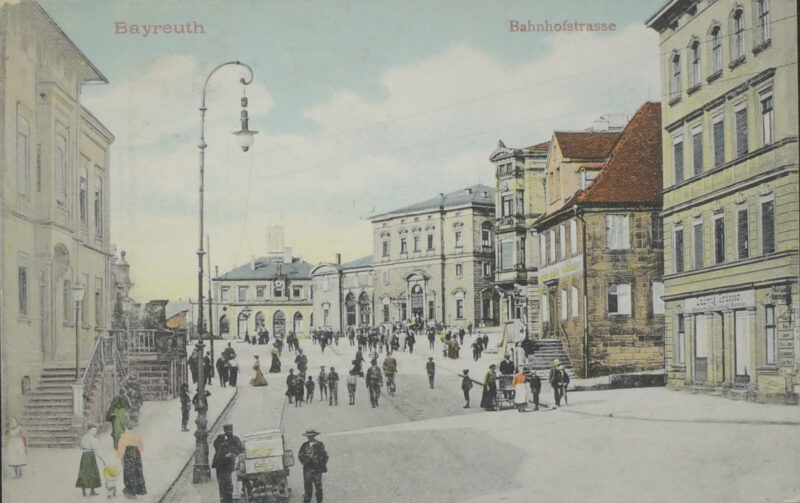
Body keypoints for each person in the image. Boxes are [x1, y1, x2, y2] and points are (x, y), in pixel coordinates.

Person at [212, 424, 244, 503]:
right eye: (226, 430)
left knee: (228, 484)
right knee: (221, 483)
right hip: (219, 465)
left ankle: (228, 500)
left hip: (228, 465)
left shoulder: (235, 439)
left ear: (232, 430)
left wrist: (232, 453)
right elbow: (215, 446)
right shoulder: (220, 438)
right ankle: (223, 499)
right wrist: (220, 439)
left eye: (229, 430)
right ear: (224, 431)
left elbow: (241, 449)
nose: (228, 432)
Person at [116, 422, 146, 498]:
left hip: (128, 453)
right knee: (137, 471)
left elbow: (121, 447)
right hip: (136, 453)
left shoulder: (124, 436)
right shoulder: (137, 435)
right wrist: (137, 453)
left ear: (126, 427)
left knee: (128, 472)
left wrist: (120, 456)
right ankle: (138, 490)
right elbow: (141, 445)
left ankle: (130, 490)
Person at [298, 429, 328, 503]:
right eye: (308, 436)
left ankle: (319, 501)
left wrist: (321, 463)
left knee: (318, 487)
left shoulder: (320, 444)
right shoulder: (304, 445)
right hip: (307, 469)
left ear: (314, 436)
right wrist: (305, 461)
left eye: (311, 436)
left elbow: (325, 455)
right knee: (308, 488)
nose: (310, 437)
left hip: (317, 468)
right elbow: (300, 455)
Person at [76, 425, 102, 496]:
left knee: (84, 473)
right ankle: (92, 491)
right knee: (92, 473)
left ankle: (84, 492)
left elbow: (81, 446)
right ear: (89, 430)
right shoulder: (93, 439)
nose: (94, 432)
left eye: (95, 431)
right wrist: (101, 458)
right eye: (93, 430)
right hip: (90, 456)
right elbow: (96, 450)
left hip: (84, 456)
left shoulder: (83, 437)